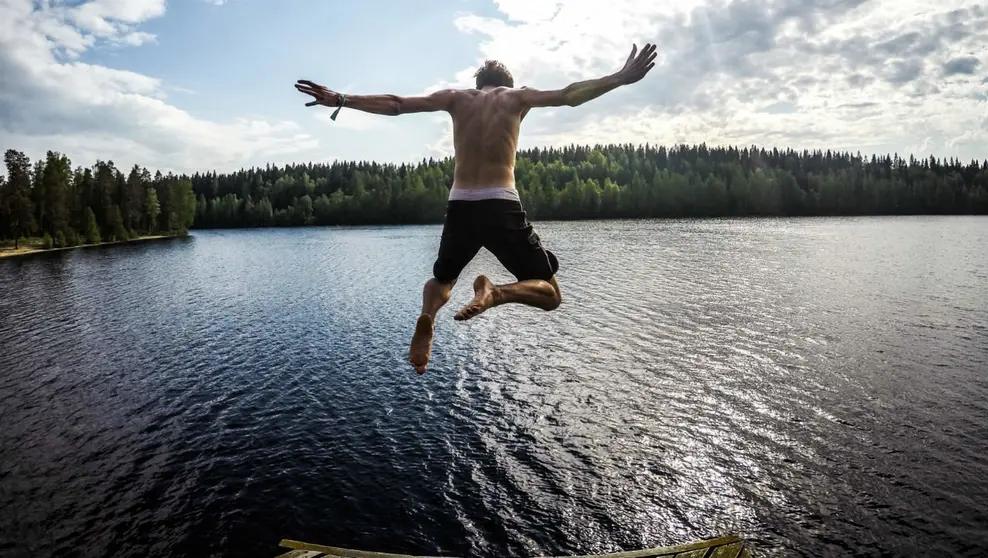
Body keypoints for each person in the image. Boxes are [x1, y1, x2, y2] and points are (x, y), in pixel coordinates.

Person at [295, 43, 657, 374]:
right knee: (550, 293)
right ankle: (497, 293)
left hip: (461, 206)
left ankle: (428, 316)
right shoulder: (518, 98)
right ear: (507, 83)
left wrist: (341, 98)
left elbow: (397, 104)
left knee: (442, 279)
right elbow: (569, 95)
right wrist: (621, 78)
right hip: (502, 205)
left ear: (479, 82)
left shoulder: (456, 98)